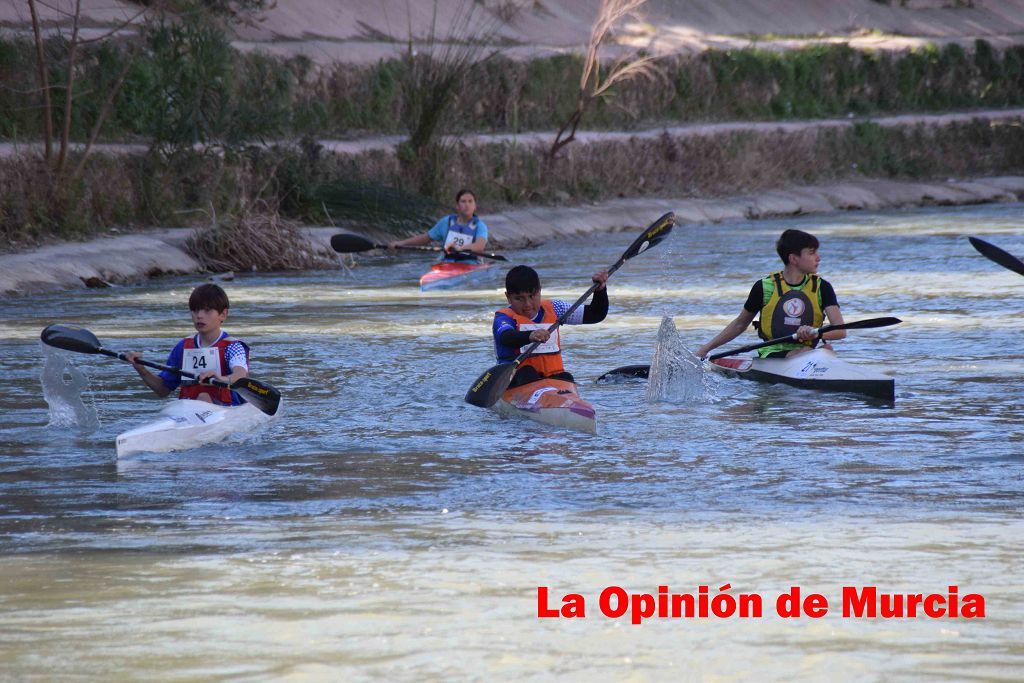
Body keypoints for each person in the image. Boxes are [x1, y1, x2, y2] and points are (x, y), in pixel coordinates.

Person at [695, 228, 846, 359]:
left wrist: (816, 334)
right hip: (772, 353)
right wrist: (705, 349)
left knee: (827, 349)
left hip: (809, 352)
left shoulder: (823, 287)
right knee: (815, 352)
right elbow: (740, 324)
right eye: (812, 253)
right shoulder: (764, 287)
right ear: (794, 258)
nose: (818, 258)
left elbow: (840, 331)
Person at [124, 283, 250, 405]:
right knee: (197, 399)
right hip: (190, 410)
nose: (199, 316)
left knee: (203, 396)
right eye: (195, 310)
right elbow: (162, 389)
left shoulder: (233, 346)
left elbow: (240, 375)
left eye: (207, 311)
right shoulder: (183, 347)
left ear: (223, 314)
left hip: (226, 410)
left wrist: (222, 379)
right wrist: (140, 369)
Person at [493, 265, 609, 387]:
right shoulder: (504, 317)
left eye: (532, 296)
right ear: (508, 298)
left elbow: (595, 314)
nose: (527, 304)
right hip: (517, 380)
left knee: (566, 377)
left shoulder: (556, 308)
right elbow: (506, 337)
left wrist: (600, 291)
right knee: (527, 372)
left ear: (540, 291)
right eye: (519, 299)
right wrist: (530, 336)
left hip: (550, 379)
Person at [388, 188, 489, 261]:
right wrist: (401, 243)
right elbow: (426, 238)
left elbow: (479, 246)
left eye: (470, 202)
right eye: (463, 201)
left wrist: (459, 248)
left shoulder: (480, 226)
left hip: (471, 263)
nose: (467, 205)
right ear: (457, 206)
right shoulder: (446, 222)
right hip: (447, 262)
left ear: (475, 206)